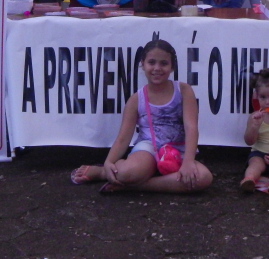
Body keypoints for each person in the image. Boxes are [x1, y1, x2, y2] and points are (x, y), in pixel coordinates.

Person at [69, 39, 213, 193]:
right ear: (142, 64)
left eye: (164, 63)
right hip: (149, 148)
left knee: (203, 178)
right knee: (127, 172)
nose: (157, 68)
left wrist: (189, 162)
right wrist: (109, 162)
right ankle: (105, 173)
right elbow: (123, 137)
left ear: (172, 67)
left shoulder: (184, 91)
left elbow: (191, 127)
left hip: (179, 149)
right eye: (151, 62)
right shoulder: (136, 99)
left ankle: (135, 185)